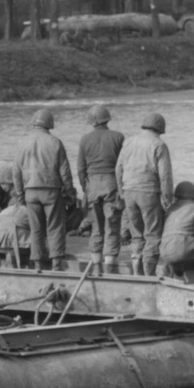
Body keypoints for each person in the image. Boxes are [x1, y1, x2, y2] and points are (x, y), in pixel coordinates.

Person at [11, 107, 75, 272]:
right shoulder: (55, 142)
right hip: (51, 191)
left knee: (36, 229)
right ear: (49, 124)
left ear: (34, 123)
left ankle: (37, 264)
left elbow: (16, 172)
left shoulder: (21, 142)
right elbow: (65, 172)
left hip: (30, 191)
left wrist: (20, 195)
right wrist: (70, 194)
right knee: (55, 227)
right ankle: (56, 264)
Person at [115, 113, 174, 276]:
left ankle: (136, 272)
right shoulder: (159, 144)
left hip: (128, 192)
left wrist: (121, 191)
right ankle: (149, 274)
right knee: (153, 234)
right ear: (160, 129)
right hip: (148, 192)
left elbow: (118, 168)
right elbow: (165, 175)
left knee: (136, 234)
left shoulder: (128, 142)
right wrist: (167, 197)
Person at [76, 105, 125, 273]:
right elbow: (122, 165)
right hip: (112, 182)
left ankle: (96, 265)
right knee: (112, 225)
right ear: (107, 119)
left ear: (92, 122)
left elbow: (81, 169)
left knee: (96, 226)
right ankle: (110, 265)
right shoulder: (118, 137)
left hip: (93, 185)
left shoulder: (84, 139)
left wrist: (86, 189)